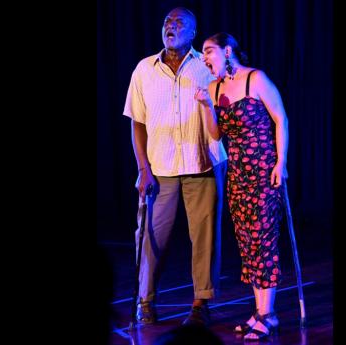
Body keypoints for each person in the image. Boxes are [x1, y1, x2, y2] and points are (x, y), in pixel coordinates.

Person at [123, 8, 227, 326]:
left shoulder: (206, 66)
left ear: (193, 33)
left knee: (205, 237)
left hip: (204, 163)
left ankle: (200, 304)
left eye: (180, 23)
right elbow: (137, 123)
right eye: (168, 22)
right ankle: (145, 300)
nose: (171, 26)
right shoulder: (144, 70)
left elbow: (224, 114)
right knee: (151, 236)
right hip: (159, 167)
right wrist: (143, 168)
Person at [195, 32, 289, 340]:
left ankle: (269, 314)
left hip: (263, 171)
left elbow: (280, 119)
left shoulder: (256, 79)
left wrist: (281, 163)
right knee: (248, 242)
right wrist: (208, 105)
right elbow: (215, 135)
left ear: (228, 50)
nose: (205, 58)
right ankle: (260, 312)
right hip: (237, 175)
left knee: (264, 240)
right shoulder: (215, 87)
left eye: (209, 51)